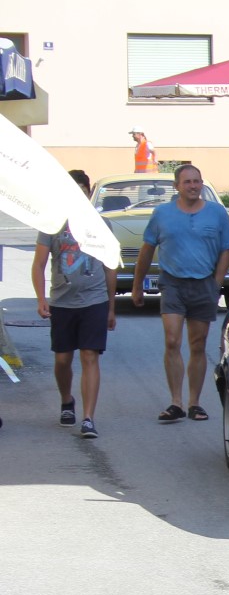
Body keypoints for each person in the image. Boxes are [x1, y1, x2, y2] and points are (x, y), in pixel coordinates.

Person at [131, 164, 229, 423]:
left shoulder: (216, 213)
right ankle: (175, 401)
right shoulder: (162, 214)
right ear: (177, 186)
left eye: (197, 181)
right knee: (172, 341)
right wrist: (137, 285)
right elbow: (147, 250)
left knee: (198, 345)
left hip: (203, 284)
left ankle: (194, 403)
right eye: (187, 181)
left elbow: (226, 250)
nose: (193, 186)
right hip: (172, 283)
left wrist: (216, 283)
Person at [31, 169, 117, 440]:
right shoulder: (52, 225)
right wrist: (41, 298)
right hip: (62, 301)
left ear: (88, 193)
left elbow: (110, 267)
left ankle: (89, 418)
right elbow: (39, 264)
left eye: (82, 190)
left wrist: (111, 306)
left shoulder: (102, 225)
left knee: (90, 356)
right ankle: (67, 399)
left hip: (94, 300)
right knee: (62, 359)